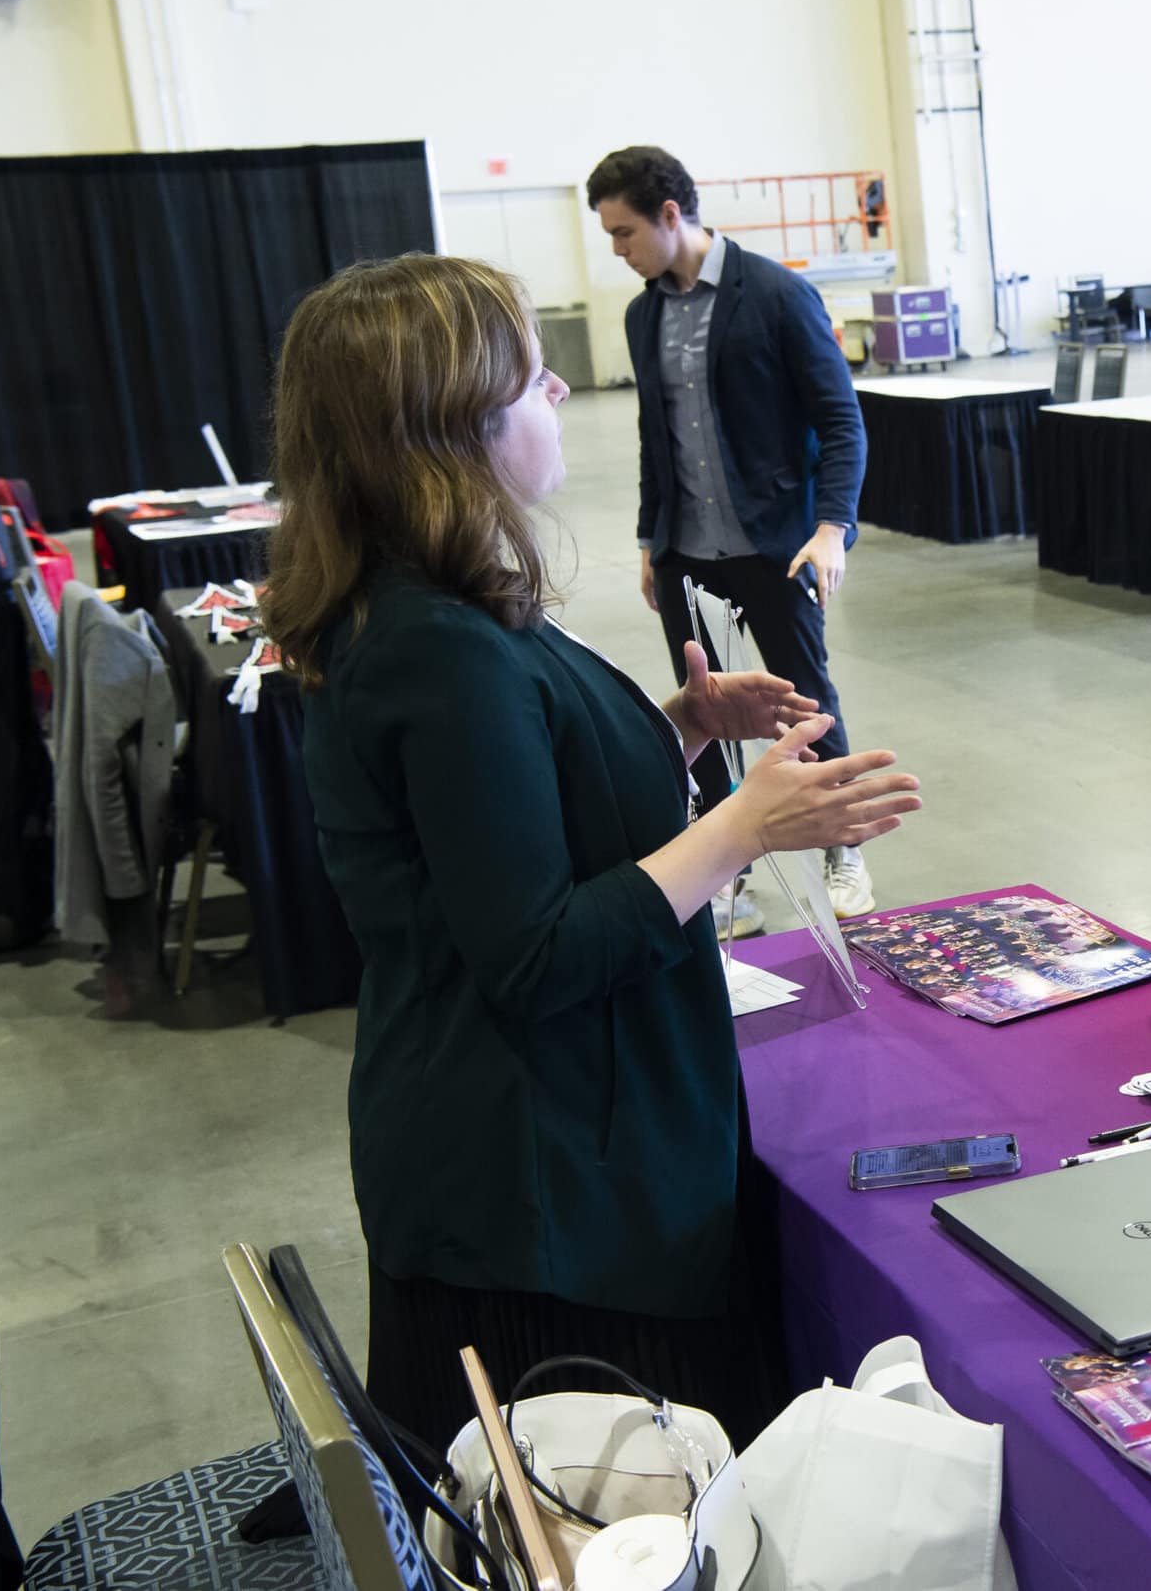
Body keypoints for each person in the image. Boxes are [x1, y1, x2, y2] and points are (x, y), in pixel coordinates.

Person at [261, 254, 921, 1455]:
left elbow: (513, 804)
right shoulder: (436, 643)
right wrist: (744, 827)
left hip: (552, 1157)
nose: (560, 390)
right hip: (543, 1200)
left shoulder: (447, 604)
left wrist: (681, 730)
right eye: (527, 377)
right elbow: (536, 952)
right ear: (447, 426)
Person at [587, 145, 878, 928]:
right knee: (707, 709)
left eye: (623, 233)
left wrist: (831, 529)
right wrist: (653, 540)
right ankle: (724, 871)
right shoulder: (643, 312)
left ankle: (843, 845)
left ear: (670, 215)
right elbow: (658, 437)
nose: (617, 251)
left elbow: (840, 421)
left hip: (775, 546)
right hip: (686, 552)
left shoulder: (778, 294)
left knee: (801, 699)